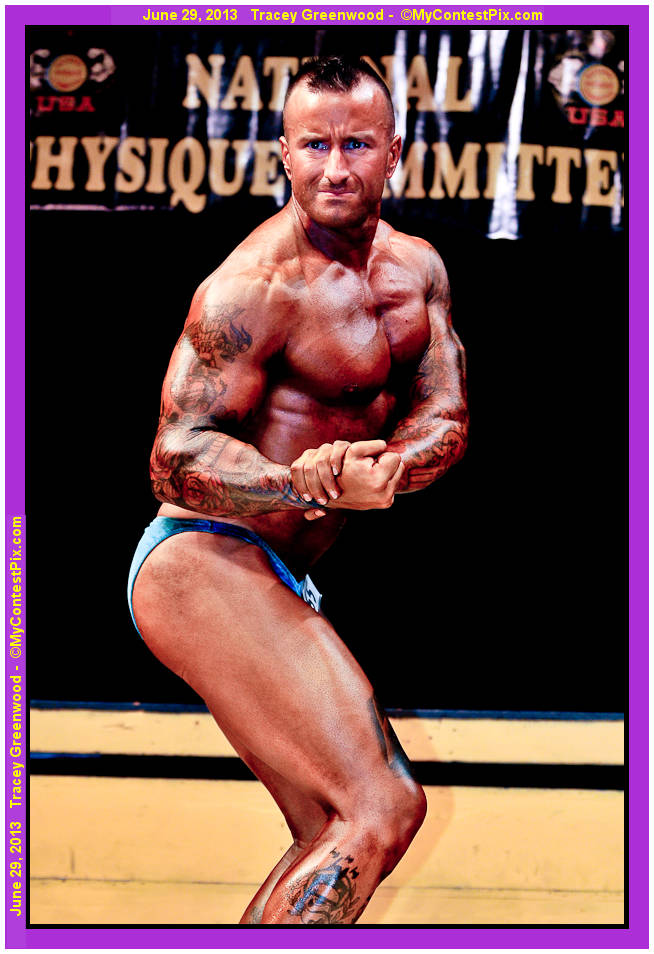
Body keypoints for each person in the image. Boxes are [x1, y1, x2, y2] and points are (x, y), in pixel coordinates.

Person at [128, 55, 468, 925]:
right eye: (314, 145)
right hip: (201, 559)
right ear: (283, 152)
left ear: (395, 152)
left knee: (332, 829)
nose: (335, 167)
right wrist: (294, 482)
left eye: (356, 144)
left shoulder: (417, 272)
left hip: (276, 571)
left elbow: (445, 413)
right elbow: (172, 456)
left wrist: (392, 468)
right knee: (384, 805)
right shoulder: (253, 287)